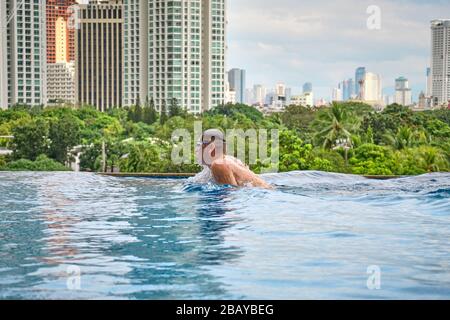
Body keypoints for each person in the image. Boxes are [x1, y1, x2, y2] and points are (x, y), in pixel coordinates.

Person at [196, 129, 271, 189]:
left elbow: (230, 200)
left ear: (210, 147)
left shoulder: (219, 165)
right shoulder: (228, 160)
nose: (196, 150)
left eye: (199, 145)